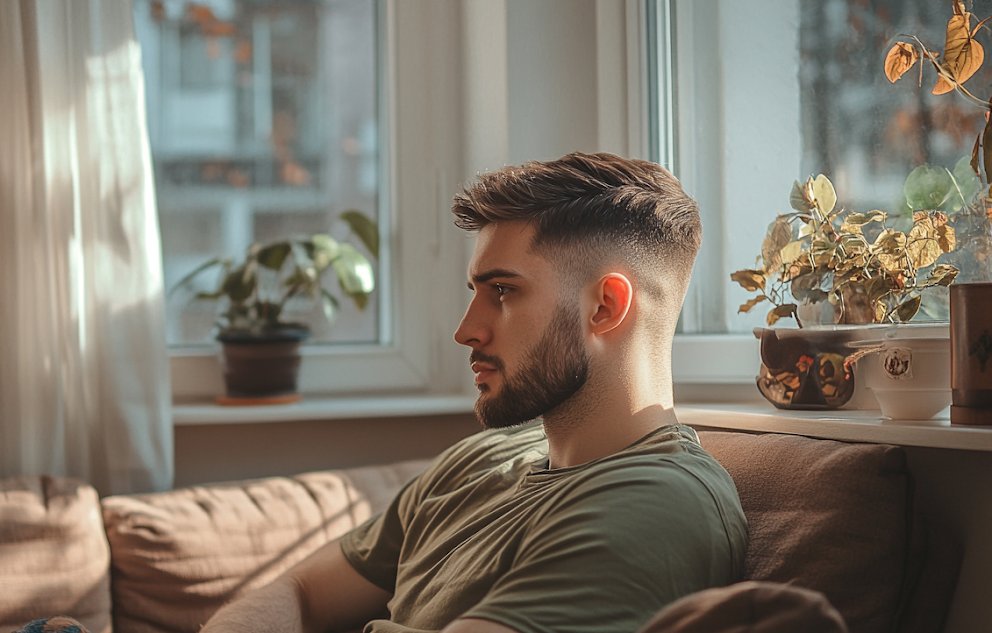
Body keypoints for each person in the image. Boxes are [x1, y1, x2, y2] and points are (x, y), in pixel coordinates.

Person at [201, 152, 748, 633]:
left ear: (605, 307)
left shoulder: (654, 503)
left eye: (503, 291)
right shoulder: (482, 458)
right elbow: (300, 591)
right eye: (476, 292)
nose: (465, 331)